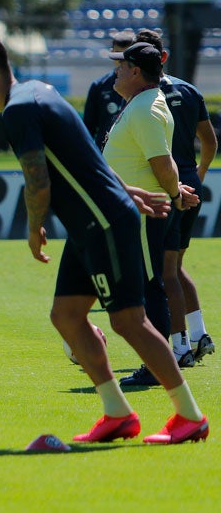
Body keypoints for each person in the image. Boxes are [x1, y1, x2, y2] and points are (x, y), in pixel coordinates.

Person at [0, 30, 208, 444]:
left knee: (129, 320)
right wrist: (130, 193)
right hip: (92, 221)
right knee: (66, 316)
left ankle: (190, 416)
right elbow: (88, 157)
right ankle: (117, 413)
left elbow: (38, 182)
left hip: (101, 223)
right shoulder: (41, 91)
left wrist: (33, 226)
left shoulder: (17, 111)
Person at [102, 42, 192, 385]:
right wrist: (177, 191)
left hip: (144, 211)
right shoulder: (142, 104)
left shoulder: (144, 108)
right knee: (146, 284)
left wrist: (174, 193)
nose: (116, 70)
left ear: (136, 71)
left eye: (121, 65)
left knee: (150, 286)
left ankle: (158, 366)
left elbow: (161, 162)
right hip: (141, 207)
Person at [135, 29, 217, 368]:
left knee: (163, 272)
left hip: (164, 188)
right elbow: (210, 142)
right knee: (176, 267)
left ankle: (180, 347)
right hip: (189, 183)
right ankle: (198, 335)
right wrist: (198, 175)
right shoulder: (189, 89)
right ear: (163, 56)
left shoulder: (145, 97)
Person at [83, 31, 135, 150]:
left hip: (134, 155)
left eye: (126, 54)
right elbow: (87, 129)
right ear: (112, 53)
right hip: (105, 155)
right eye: (118, 54)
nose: (122, 59)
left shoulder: (143, 85)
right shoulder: (99, 86)